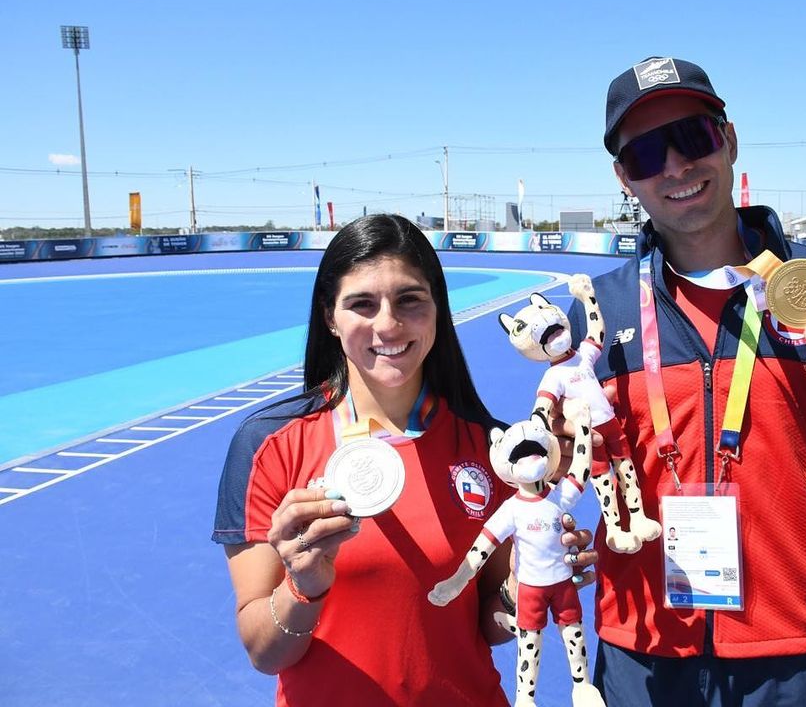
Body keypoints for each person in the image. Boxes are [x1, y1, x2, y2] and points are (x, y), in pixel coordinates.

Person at [561, 57, 806, 706]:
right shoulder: (601, 309)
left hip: (786, 655)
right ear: (626, 177)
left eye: (694, 137)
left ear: (728, 140)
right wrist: (559, 522)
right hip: (641, 649)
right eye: (648, 152)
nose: (676, 166)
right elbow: (572, 464)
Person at [211, 214, 595, 706]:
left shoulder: (495, 448)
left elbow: (488, 624)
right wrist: (302, 585)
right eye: (361, 304)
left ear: (437, 310)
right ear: (330, 316)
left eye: (410, 300)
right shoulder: (268, 446)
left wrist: (523, 587)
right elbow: (266, 654)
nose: (388, 324)